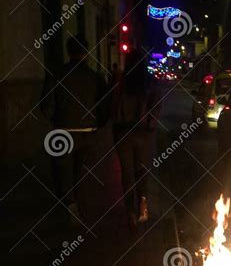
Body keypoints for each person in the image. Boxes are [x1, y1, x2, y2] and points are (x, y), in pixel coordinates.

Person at [41, 34, 108, 224]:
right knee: (82, 172)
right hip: (87, 133)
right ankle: (80, 206)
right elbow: (104, 106)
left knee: (62, 172)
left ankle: (69, 205)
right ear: (86, 53)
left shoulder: (56, 75)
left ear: (68, 52)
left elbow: (46, 106)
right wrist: (98, 124)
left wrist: (56, 119)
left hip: (63, 131)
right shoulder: (95, 78)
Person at [111, 50, 159, 229]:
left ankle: (130, 211)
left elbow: (113, 105)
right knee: (142, 171)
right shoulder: (150, 82)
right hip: (143, 133)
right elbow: (156, 106)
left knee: (127, 173)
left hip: (123, 133)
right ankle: (143, 205)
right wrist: (150, 125)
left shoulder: (120, 82)